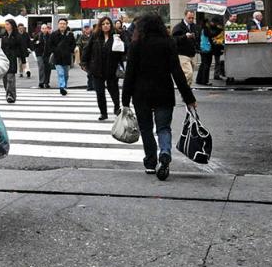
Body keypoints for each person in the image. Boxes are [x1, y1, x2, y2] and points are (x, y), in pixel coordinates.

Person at [122, 13, 197, 181]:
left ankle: (150, 162)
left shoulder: (136, 44)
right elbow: (177, 72)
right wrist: (189, 97)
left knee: (146, 129)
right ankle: (164, 152)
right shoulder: (168, 43)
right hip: (164, 91)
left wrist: (125, 100)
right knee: (164, 128)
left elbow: (130, 74)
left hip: (141, 93)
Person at [81, 17, 124, 121]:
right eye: (103, 24)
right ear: (100, 25)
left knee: (113, 90)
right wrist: (84, 62)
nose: (106, 25)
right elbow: (87, 49)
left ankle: (116, 107)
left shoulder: (117, 35)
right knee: (100, 92)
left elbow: (125, 49)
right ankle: (103, 113)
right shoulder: (95, 36)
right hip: (97, 68)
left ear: (111, 25)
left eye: (108, 23)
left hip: (111, 68)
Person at [0, 18, 26, 103]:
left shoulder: (17, 36)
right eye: (5, 24)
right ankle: (8, 93)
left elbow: (22, 49)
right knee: (5, 79)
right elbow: (0, 48)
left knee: (10, 78)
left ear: (12, 25)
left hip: (13, 58)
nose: (6, 26)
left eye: (7, 24)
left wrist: (23, 61)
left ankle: (11, 95)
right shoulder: (3, 35)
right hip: (4, 59)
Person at [48, 18, 76, 96]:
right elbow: (50, 45)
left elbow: (73, 44)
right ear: (58, 25)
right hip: (58, 57)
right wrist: (55, 50)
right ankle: (62, 87)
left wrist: (69, 50)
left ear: (66, 25)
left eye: (64, 24)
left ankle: (64, 86)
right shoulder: (53, 34)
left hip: (67, 58)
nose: (62, 25)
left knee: (66, 74)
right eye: (61, 23)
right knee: (60, 73)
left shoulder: (70, 34)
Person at [171, 10, 200, 85]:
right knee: (188, 73)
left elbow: (197, 37)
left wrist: (195, 39)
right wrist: (185, 36)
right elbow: (174, 39)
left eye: (192, 18)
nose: (191, 19)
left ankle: (187, 91)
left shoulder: (194, 26)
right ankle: (184, 90)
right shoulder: (178, 27)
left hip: (192, 54)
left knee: (190, 75)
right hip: (182, 54)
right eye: (189, 18)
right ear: (185, 16)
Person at [197, 16, 224, 85]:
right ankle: (205, 81)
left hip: (203, 48)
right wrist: (219, 30)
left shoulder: (202, 28)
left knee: (203, 64)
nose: (211, 24)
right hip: (207, 49)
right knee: (206, 65)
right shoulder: (205, 28)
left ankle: (199, 80)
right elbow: (211, 35)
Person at [33, 24, 52, 88]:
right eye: (43, 28)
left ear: (47, 29)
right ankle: (41, 82)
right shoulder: (38, 35)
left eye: (45, 28)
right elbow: (33, 43)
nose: (44, 30)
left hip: (47, 54)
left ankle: (46, 82)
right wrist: (36, 49)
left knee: (47, 68)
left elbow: (52, 44)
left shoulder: (50, 36)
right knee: (41, 67)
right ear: (41, 29)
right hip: (39, 54)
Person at [77, 24, 93, 91]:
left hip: (93, 57)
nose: (86, 29)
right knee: (89, 73)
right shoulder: (82, 37)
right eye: (85, 28)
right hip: (85, 58)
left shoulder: (93, 36)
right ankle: (91, 86)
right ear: (83, 29)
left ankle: (91, 86)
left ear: (90, 28)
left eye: (88, 28)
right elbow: (78, 45)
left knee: (91, 73)